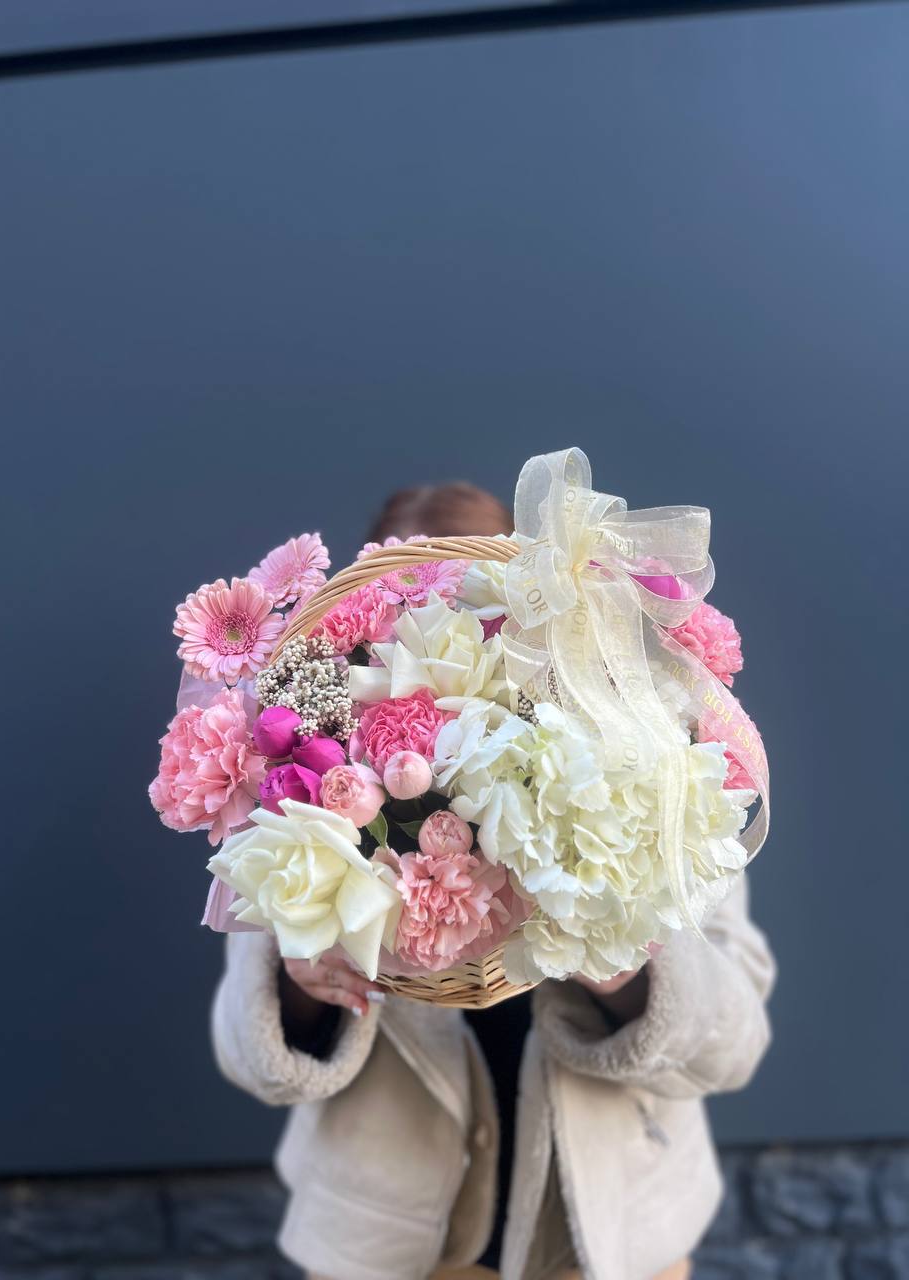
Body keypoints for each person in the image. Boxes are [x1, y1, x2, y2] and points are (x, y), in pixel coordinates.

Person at [211, 481, 776, 1280]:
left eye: (472, 593)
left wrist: (619, 956)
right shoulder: (304, 794)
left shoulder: (654, 779)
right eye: (407, 592)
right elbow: (253, 1062)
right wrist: (298, 981)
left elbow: (735, 1049)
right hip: (386, 1253)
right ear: (364, 618)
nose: (440, 610)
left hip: (616, 1242)